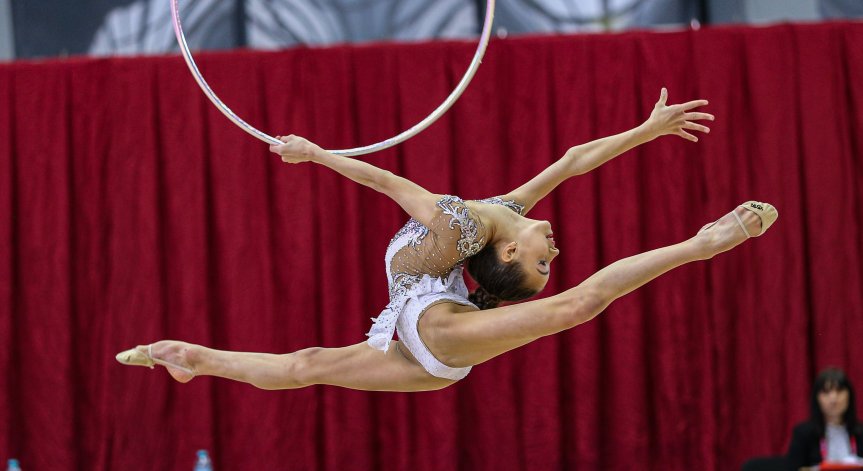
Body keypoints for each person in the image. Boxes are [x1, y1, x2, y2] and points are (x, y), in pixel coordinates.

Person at [116, 88, 778, 392]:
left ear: (510, 253)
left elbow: (386, 179)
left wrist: (314, 153)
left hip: (429, 317)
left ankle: (700, 243)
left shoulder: (463, 226)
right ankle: (192, 357)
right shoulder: (507, 214)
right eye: (551, 258)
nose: (555, 248)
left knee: (572, 307)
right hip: (433, 337)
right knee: (306, 365)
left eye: (545, 259)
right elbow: (575, 158)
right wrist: (644, 130)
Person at [787, 368, 863, 470]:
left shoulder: (860, 432)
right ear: (817, 398)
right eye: (826, 392)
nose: (833, 398)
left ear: (849, 395)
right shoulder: (803, 434)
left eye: (839, 391)